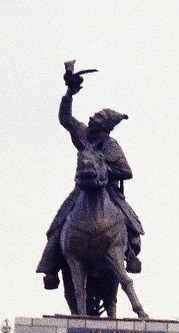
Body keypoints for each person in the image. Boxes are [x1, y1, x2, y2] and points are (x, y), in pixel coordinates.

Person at [37, 63, 143, 290]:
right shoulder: (83, 133)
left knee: (132, 222)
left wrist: (105, 170)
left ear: (105, 126)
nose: (94, 118)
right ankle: (50, 266)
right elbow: (65, 119)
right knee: (58, 224)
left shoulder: (111, 145)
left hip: (108, 191)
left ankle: (132, 252)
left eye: (99, 118)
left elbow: (127, 172)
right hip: (82, 189)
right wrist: (69, 94)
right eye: (95, 116)